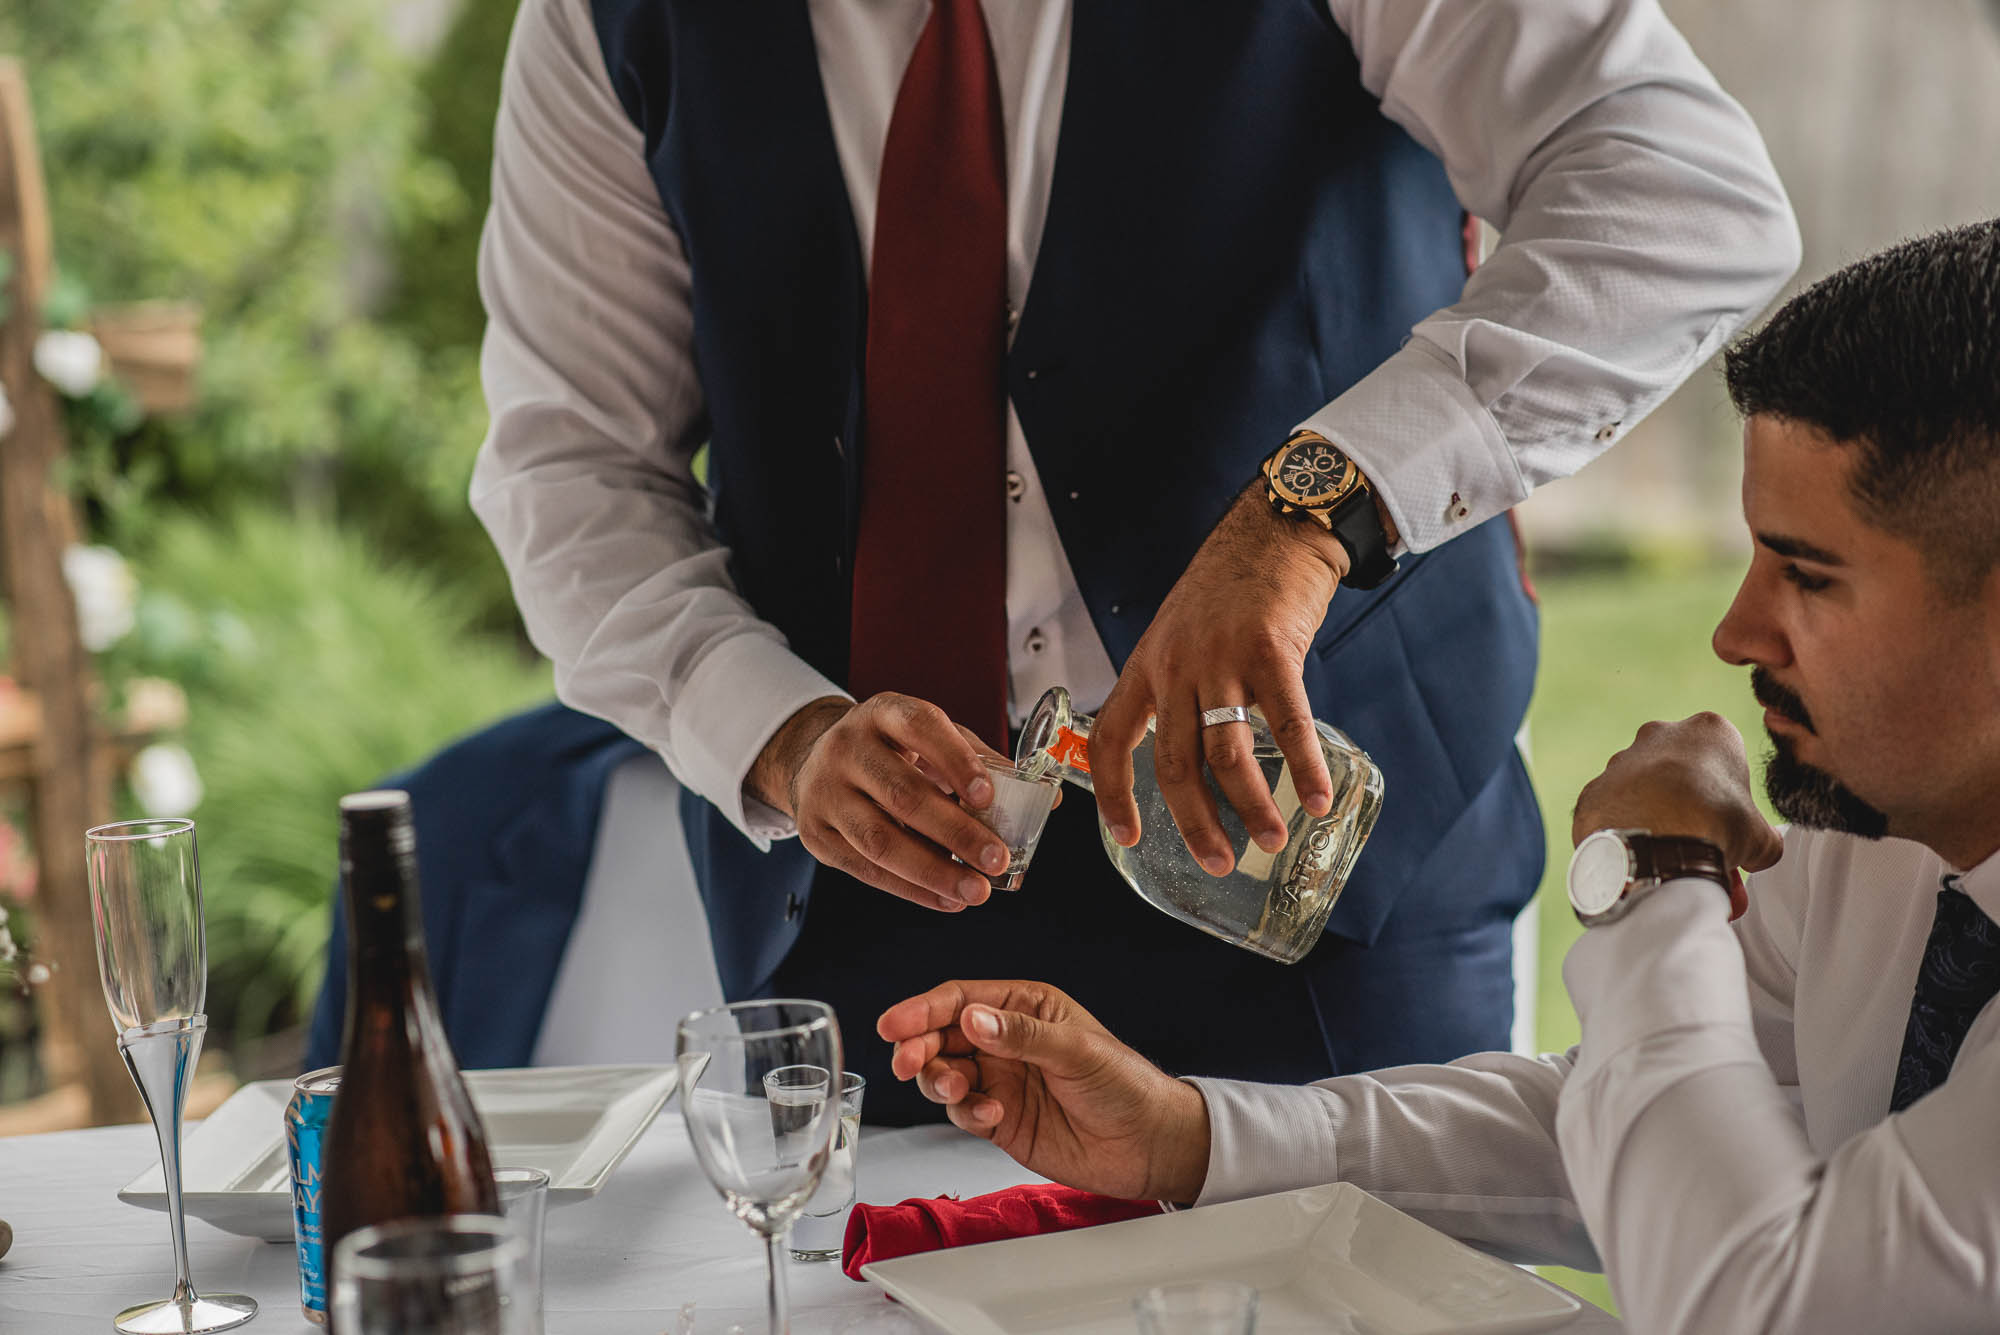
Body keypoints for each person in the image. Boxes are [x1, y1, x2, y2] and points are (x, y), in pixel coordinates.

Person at [469, 0, 1798, 1120]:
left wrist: (1313, 508)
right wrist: (780, 733)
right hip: (855, 914)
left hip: (1330, 865)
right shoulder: (605, 20)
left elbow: (1681, 193)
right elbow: (571, 463)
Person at [877, 221, 2000, 1332]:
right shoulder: (1880, 833)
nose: (1734, 632)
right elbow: (1644, 1125)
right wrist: (1188, 1136)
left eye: (1808, 576)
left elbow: (1750, 1303)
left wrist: (1653, 878)